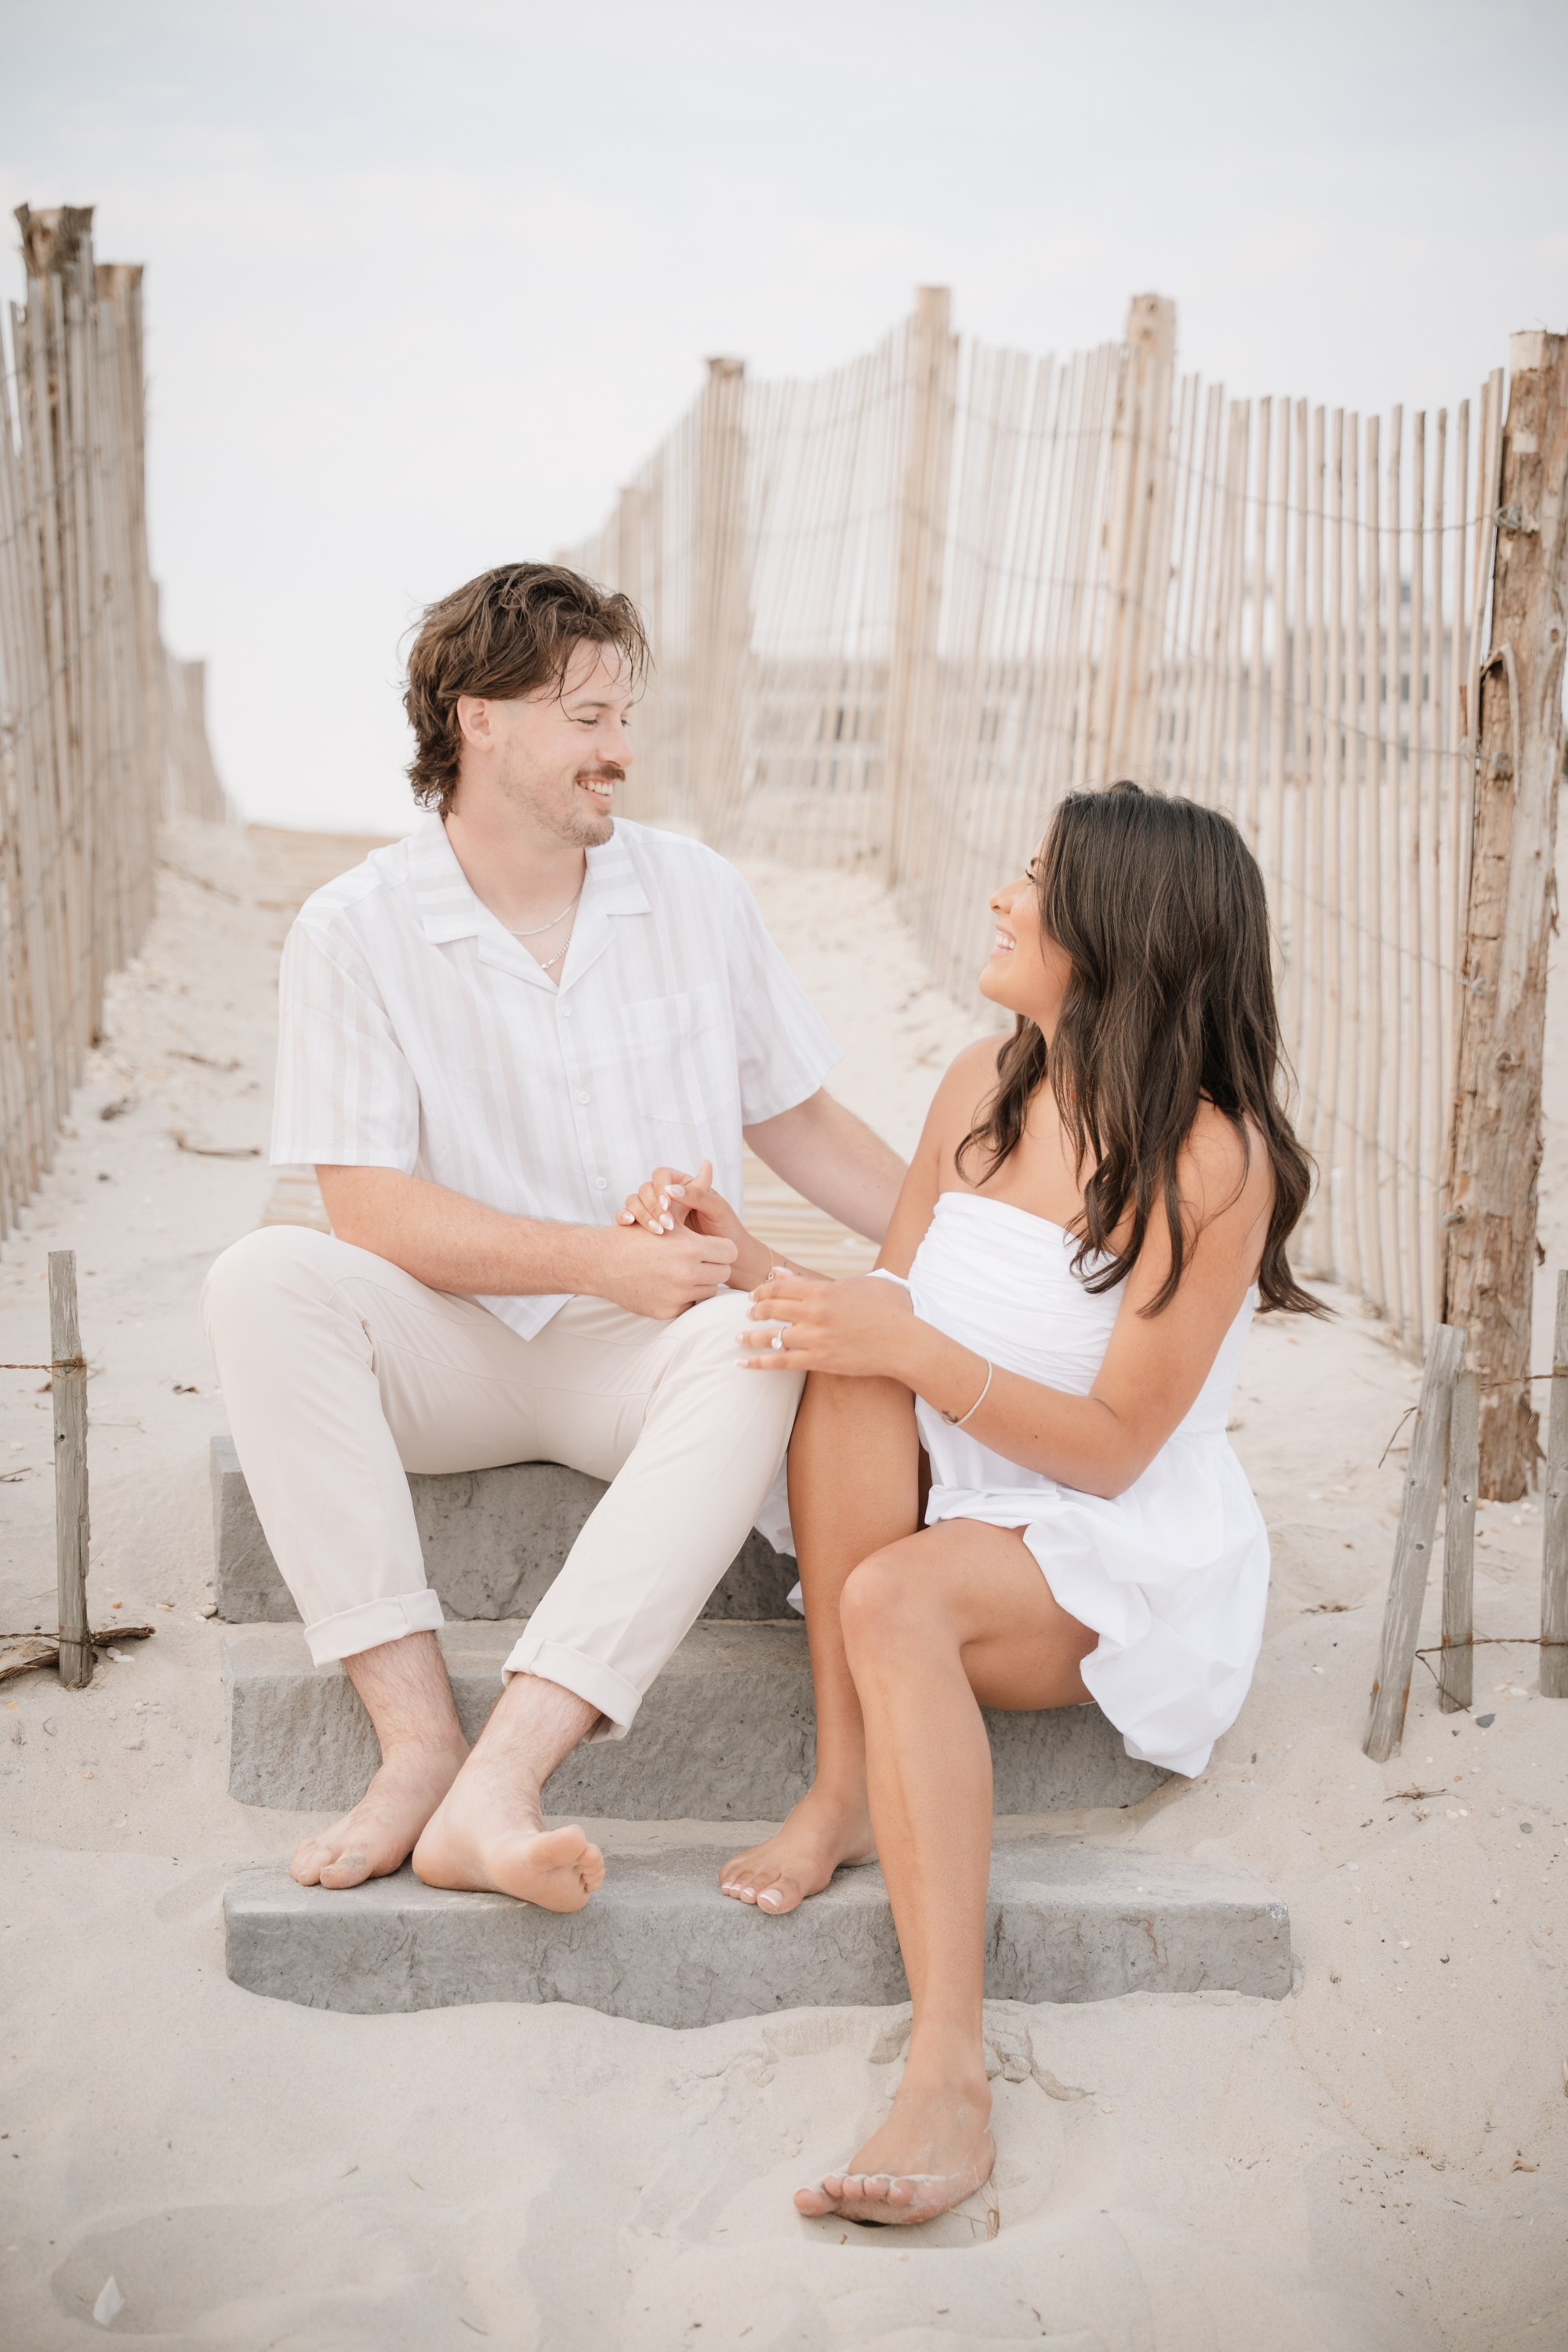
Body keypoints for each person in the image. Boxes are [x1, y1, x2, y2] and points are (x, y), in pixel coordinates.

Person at [632, 782, 1317, 2224]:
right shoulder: (981, 1083)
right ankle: (844, 1786)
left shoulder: (1213, 1156)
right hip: (952, 1472)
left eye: (1031, 882)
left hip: (1102, 1541)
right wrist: (739, 1247)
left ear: (1117, 932)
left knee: (893, 1583)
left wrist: (912, 1350)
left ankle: (948, 2067)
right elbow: (887, 1309)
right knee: (845, 1368)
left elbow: (1122, 1446)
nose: (1003, 900)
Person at [201, 562, 905, 1913]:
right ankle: (417, 1745)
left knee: (751, 1348)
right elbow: (369, 1211)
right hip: (452, 1346)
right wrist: (594, 1257)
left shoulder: (694, 893)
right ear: (481, 720)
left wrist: (977, 1251)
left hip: (637, 1359)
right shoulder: (354, 929)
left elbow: (806, 1125)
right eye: (587, 717)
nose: (620, 751)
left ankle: (501, 1781)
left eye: (623, 715)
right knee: (264, 1278)